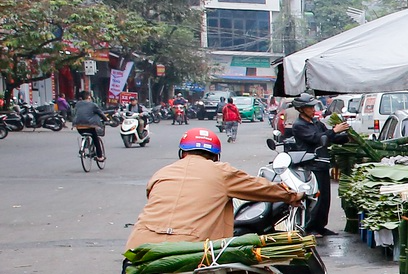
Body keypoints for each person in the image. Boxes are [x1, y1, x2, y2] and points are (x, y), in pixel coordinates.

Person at [128, 127, 301, 249]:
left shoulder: (162, 172)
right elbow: (261, 187)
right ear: (215, 156)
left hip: (140, 248)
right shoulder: (221, 172)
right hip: (188, 252)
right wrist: (292, 196)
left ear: (182, 152)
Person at [280, 96, 340, 235]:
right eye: (310, 108)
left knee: (325, 198)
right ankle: (310, 226)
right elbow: (317, 138)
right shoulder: (299, 125)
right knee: (316, 198)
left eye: (314, 107)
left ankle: (320, 226)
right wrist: (334, 131)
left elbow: (328, 136)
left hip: (323, 163)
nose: (313, 110)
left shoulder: (316, 123)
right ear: (301, 109)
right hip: (311, 165)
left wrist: (344, 135)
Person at [70, 93, 107, 162]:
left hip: (78, 126)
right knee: (95, 139)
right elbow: (100, 113)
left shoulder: (78, 104)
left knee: (84, 134)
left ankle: (83, 147)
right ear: (89, 98)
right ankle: (100, 156)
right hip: (90, 126)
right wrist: (107, 119)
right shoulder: (93, 105)